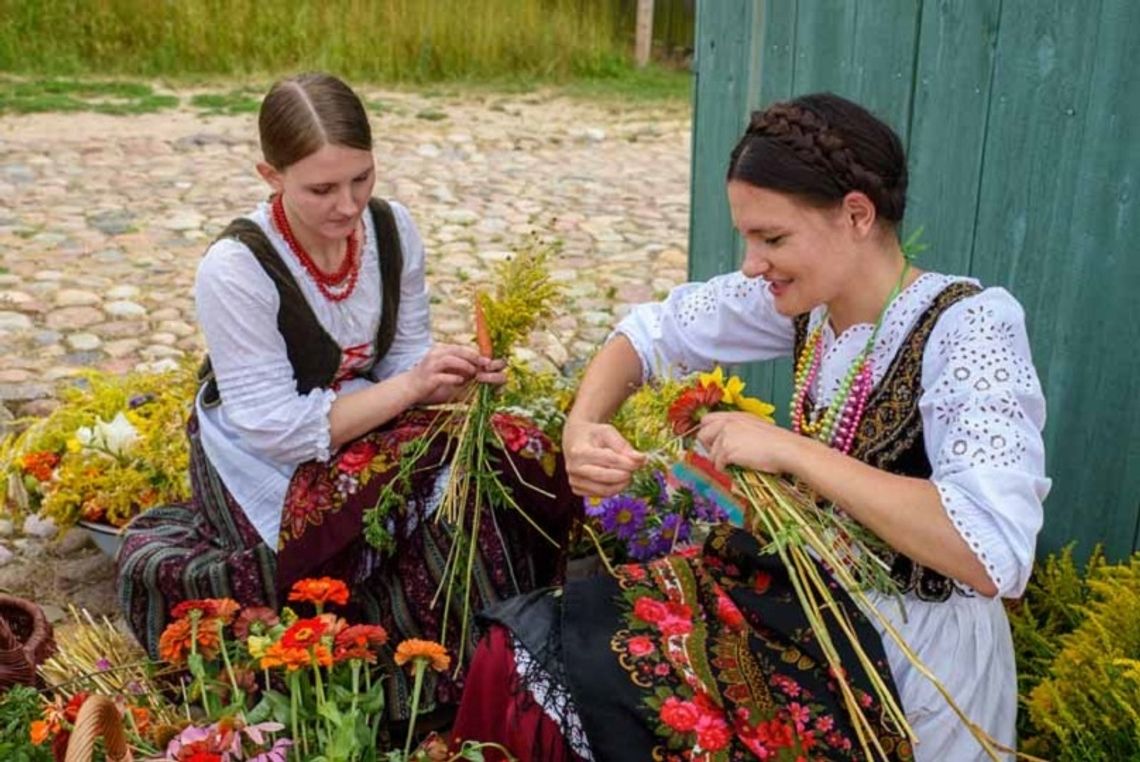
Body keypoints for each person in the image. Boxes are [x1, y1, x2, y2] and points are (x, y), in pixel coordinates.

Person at [452, 93, 1049, 760]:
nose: (751, 263)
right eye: (748, 237)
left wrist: (791, 452)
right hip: (813, 610)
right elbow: (651, 334)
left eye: (772, 238)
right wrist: (582, 425)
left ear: (856, 214)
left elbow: (992, 550)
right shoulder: (809, 306)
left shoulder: (967, 328)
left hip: (915, 661)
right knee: (541, 647)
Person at [116, 73, 575, 716]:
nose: (348, 204)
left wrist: (445, 374)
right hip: (263, 443)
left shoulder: (391, 231)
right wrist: (413, 390)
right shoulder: (237, 267)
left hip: (366, 405)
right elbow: (277, 426)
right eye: (321, 188)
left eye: (361, 178)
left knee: (508, 455)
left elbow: (403, 352)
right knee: (401, 516)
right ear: (270, 175)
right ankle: (413, 695)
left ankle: (512, 658)